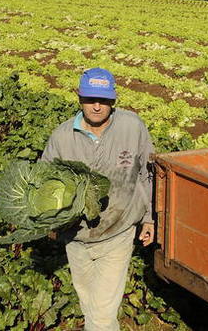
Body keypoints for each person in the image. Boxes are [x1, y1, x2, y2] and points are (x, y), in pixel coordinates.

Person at [41, 67, 155, 331]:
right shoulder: (61, 137)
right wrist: (49, 220)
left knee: (102, 315)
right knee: (89, 303)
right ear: (79, 98)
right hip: (77, 237)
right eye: (90, 99)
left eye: (103, 100)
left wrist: (149, 219)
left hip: (119, 231)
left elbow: (146, 175)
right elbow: (45, 183)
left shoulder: (132, 127)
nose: (96, 106)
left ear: (113, 100)